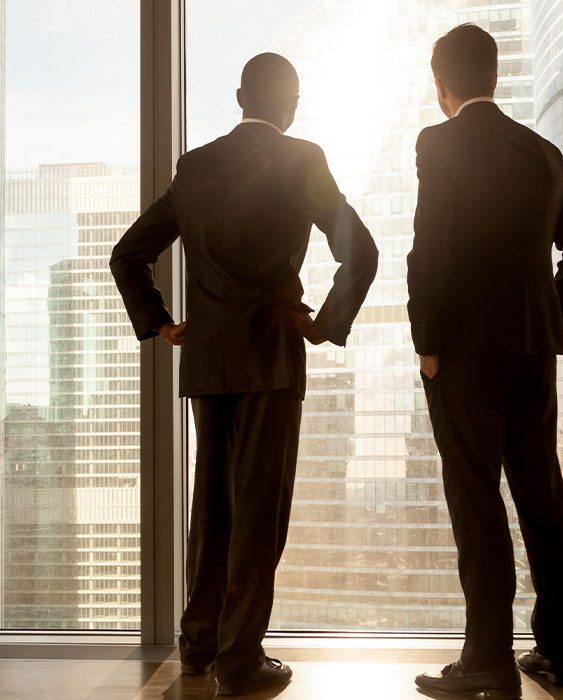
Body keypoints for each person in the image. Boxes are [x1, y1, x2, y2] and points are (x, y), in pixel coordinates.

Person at [110, 53, 377, 696]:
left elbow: (128, 255)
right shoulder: (303, 159)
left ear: (238, 96)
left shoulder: (195, 167)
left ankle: (199, 644)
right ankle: (240, 660)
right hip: (272, 354)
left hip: (210, 358)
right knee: (260, 508)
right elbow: (360, 251)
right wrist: (323, 324)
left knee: (214, 504)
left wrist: (163, 324)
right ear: (292, 104)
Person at [408, 24, 563, 699]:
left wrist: (426, 340)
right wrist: (548, 314)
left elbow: (428, 246)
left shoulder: (439, 141)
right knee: (541, 493)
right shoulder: (541, 151)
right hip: (531, 349)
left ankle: (487, 659)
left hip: (462, 350)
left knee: (475, 496)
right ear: (494, 75)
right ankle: (557, 655)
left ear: (442, 84)